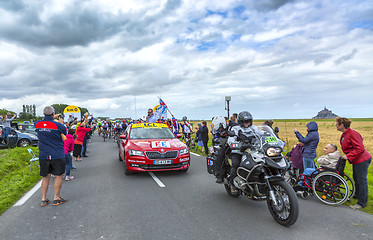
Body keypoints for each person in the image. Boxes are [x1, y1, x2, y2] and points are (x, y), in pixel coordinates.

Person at [336, 117, 372, 210]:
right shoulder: (345, 134)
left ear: (342, 125)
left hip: (362, 160)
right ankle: (357, 196)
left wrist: (348, 156)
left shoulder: (353, 133)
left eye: (337, 124)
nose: (336, 125)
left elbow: (360, 148)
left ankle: (361, 203)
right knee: (356, 178)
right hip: (356, 160)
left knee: (361, 181)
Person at [35, 106, 67, 206]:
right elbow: (64, 133)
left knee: (45, 177)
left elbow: (43, 122)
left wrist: (51, 117)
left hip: (44, 154)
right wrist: (60, 122)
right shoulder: (58, 125)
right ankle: (56, 198)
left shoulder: (38, 124)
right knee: (58, 176)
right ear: (53, 114)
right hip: (57, 154)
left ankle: (44, 199)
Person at [227, 111, 261, 192]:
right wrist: (239, 145)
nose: (247, 123)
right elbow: (230, 141)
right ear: (241, 122)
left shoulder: (253, 128)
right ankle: (232, 183)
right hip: (239, 152)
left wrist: (272, 138)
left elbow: (261, 133)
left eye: (249, 121)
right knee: (235, 164)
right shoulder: (236, 129)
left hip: (252, 150)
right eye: (246, 121)